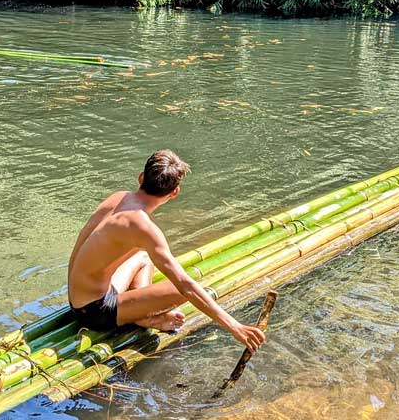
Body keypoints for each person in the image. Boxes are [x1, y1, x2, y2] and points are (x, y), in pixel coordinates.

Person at [67, 150, 266, 351]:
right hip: (94, 311)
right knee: (184, 290)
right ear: (174, 193)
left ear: (141, 178)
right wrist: (235, 327)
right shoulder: (144, 228)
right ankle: (142, 317)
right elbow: (185, 285)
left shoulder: (118, 197)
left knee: (143, 256)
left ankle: (140, 312)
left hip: (77, 295)